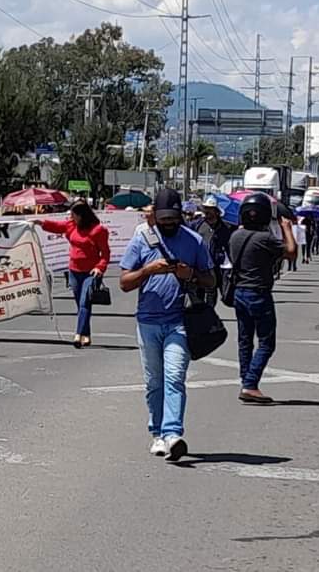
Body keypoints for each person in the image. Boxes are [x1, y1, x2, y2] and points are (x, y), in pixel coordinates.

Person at [120, 189, 215, 462]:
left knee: (174, 377)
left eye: (173, 218)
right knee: (154, 381)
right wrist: (149, 270)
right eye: (163, 219)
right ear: (155, 218)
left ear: (181, 216)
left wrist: (192, 275)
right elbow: (124, 283)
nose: (169, 223)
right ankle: (158, 434)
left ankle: (173, 434)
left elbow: (211, 282)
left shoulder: (195, 240)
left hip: (179, 321)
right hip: (148, 320)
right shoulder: (142, 239)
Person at [228, 193, 297, 403]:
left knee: (245, 340)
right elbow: (292, 252)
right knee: (267, 342)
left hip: (240, 291)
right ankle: (250, 384)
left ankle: (245, 379)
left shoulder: (235, 236)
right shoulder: (265, 239)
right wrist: (286, 228)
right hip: (258, 293)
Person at [39, 202, 111, 348]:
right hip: (74, 271)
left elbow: (105, 253)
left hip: (91, 272)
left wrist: (100, 268)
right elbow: (57, 226)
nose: (71, 217)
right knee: (81, 304)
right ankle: (87, 334)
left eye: (74, 215)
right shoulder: (72, 225)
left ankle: (78, 335)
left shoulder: (98, 230)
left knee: (85, 302)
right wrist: (40, 222)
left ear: (82, 215)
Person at [188, 196, 232, 306]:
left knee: (212, 293)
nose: (207, 211)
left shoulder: (225, 228)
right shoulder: (197, 224)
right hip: (198, 264)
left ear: (216, 211)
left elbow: (229, 246)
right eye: (205, 208)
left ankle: (209, 315)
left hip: (216, 265)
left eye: (210, 208)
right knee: (198, 293)